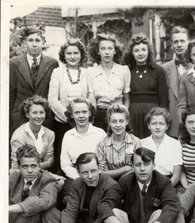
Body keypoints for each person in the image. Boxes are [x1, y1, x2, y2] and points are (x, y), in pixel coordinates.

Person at [104, 147, 180, 223]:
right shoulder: (125, 180)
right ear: (133, 167)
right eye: (138, 165)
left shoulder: (163, 182)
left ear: (154, 165)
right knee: (114, 212)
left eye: (146, 164)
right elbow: (105, 205)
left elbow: (172, 208)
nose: (142, 169)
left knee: (160, 214)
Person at [42, 152, 121, 223]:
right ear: (78, 172)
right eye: (85, 173)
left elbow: (102, 220)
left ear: (99, 169)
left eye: (93, 171)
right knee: (49, 213)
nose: (90, 176)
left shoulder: (111, 186)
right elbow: (70, 211)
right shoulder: (77, 183)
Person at [48, 38, 96, 171]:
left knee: (85, 155)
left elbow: (91, 95)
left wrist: (86, 116)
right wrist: (70, 117)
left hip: (84, 122)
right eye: (69, 53)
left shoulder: (87, 73)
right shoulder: (57, 73)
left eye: (76, 53)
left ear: (81, 55)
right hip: (63, 123)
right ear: (63, 55)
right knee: (64, 158)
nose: (73, 56)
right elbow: (52, 99)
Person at [9, 145, 63, 223]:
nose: (30, 171)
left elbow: (43, 201)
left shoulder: (48, 179)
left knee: (33, 208)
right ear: (19, 167)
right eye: (25, 166)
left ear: (39, 166)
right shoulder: (14, 178)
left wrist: (8, 209)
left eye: (33, 166)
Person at [10, 27, 59, 133]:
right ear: (24, 43)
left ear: (43, 42)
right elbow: (11, 94)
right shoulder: (14, 63)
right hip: (21, 118)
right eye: (30, 40)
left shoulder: (53, 63)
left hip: (44, 118)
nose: (34, 44)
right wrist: (13, 117)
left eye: (37, 40)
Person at [60, 98, 106, 203]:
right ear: (71, 115)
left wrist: (94, 175)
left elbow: (104, 160)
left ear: (90, 113)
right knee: (68, 199)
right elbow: (65, 165)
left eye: (84, 112)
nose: (81, 116)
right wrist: (81, 177)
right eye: (77, 112)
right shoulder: (68, 136)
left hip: (97, 176)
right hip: (75, 177)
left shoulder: (100, 133)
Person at [124, 34, 168, 138]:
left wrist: (162, 118)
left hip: (153, 112)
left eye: (143, 50)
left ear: (148, 51)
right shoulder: (127, 70)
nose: (140, 53)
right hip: (133, 113)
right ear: (132, 53)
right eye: (136, 50)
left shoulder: (158, 70)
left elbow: (163, 99)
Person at [88, 33, 130, 132]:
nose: (107, 52)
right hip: (99, 114)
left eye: (110, 48)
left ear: (115, 51)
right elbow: (91, 97)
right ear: (98, 51)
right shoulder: (91, 71)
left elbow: (127, 98)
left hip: (119, 114)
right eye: (103, 49)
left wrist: (124, 115)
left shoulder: (123, 70)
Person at [10, 95, 55, 171]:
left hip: (41, 173)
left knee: (60, 182)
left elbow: (50, 161)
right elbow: (18, 166)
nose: (39, 116)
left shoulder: (50, 134)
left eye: (41, 112)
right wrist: (43, 164)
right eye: (34, 113)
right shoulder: (19, 136)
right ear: (27, 114)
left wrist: (36, 166)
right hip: (20, 174)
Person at [96, 104, 141, 180]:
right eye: (114, 121)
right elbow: (101, 173)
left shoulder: (135, 142)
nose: (118, 125)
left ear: (127, 122)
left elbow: (137, 170)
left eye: (121, 121)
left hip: (130, 184)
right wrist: (126, 169)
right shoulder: (102, 144)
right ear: (109, 122)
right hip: (109, 184)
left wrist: (110, 172)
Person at [141, 107, 182, 187]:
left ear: (167, 126)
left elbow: (177, 176)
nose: (157, 127)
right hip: (147, 184)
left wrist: (164, 190)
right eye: (154, 123)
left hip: (169, 184)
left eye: (161, 124)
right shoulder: (141, 143)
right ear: (149, 125)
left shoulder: (175, 144)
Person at [162, 26, 191, 138]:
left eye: (182, 41)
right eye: (176, 42)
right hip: (172, 125)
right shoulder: (164, 69)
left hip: (194, 123)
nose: (179, 45)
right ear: (172, 45)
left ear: (188, 42)